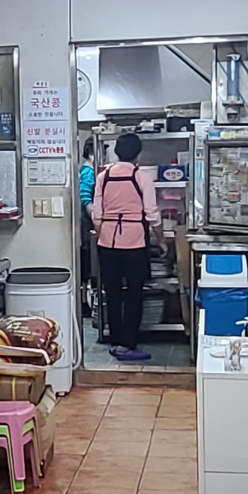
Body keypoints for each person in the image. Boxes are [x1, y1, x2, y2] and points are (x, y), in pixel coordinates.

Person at [91, 134, 159, 362]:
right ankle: (129, 344)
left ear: (116, 152)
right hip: (134, 243)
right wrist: (160, 238)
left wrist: (102, 234)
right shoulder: (142, 177)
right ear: (138, 153)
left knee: (112, 293)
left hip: (107, 243)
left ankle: (115, 340)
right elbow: (151, 214)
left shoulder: (104, 176)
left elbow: (97, 214)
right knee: (134, 293)